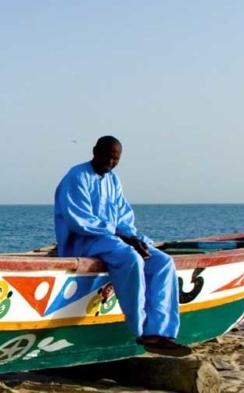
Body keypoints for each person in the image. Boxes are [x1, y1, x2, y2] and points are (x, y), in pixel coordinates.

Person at [54, 136, 192, 357]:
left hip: (113, 239)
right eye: (106, 156)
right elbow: (80, 221)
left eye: (115, 158)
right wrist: (123, 238)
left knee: (161, 261)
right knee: (130, 258)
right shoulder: (77, 176)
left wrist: (131, 236)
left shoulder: (113, 180)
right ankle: (141, 330)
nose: (110, 162)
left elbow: (123, 218)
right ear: (94, 151)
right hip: (84, 241)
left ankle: (161, 332)